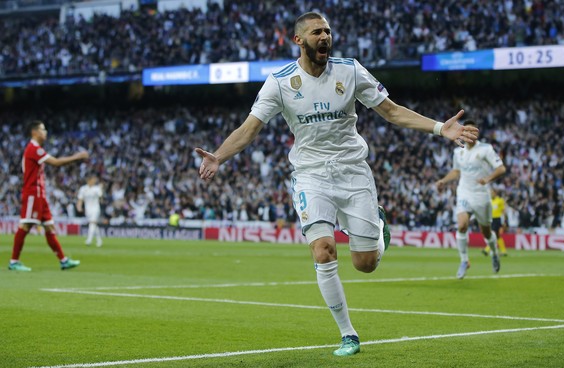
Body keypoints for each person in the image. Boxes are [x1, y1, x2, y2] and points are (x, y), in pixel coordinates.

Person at [194, 12, 478, 356]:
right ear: (299, 40)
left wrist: (438, 128)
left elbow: (391, 111)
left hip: (353, 171)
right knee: (323, 249)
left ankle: (378, 226)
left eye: (327, 30)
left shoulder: (351, 69)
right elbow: (250, 127)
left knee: (365, 264)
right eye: (317, 32)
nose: (325, 36)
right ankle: (348, 334)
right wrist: (218, 156)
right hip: (310, 174)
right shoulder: (280, 81)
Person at [9, 120, 89, 271]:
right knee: (25, 225)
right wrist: (78, 156)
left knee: (50, 227)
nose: (45, 133)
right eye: (43, 130)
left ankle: (63, 260)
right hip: (33, 193)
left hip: (40, 194)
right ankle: (14, 261)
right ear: (35, 132)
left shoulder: (35, 149)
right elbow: (56, 162)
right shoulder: (34, 148)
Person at [435, 120, 506, 279]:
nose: (470, 134)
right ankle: (464, 260)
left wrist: (487, 179)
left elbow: (501, 169)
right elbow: (456, 172)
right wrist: (443, 181)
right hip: (464, 192)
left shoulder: (486, 149)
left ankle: (494, 253)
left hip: (481, 195)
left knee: (486, 232)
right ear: (463, 132)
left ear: (477, 133)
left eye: (473, 131)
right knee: (461, 225)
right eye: (467, 131)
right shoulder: (458, 152)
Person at [76, 175, 104, 247]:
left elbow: (101, 198)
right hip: (88, 209)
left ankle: (89, 240)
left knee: (92, 223)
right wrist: (79, 206)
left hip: (95, 208)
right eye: (93, 179)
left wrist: (101, 189)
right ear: (89, 180)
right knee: (93, 224)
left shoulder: (97, 188)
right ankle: (99, 240)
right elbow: (80, 199)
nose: (94, 181)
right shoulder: (83, 189)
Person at [482, 188, 507, 256]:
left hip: (497, 219)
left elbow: (503, 211)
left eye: (492, 193)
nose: (491, 194)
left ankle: (487, 249)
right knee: (497, 236)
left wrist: (504, 220)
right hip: (491, 219)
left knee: (494, 234)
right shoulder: (490, 201)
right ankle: (503, 251)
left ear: (495, 193)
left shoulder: (499, 200)